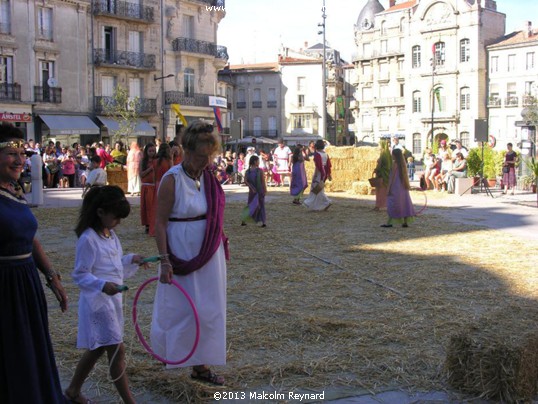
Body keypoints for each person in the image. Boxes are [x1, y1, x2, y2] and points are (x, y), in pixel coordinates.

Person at [151, 120, 228, 386]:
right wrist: (164, 260)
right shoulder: (172, 179)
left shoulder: (208, 177)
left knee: (208, 309)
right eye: (199, 156)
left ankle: (201, 366)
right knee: (182, 308)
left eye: (209, 156)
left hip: (208, 252)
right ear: (186, 151)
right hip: (180, 251)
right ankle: (173, 354)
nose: (205, 161)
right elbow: (159, 223)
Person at [0, 123, 68, 403]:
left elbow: (30, 238)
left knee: (30, 347)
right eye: (11, 153)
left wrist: (52, 277)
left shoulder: (14, 190)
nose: (19, 160)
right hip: (4, 287)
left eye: (23, 153)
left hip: (26, 282)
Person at [66, 186, 147, 404]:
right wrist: (102, 285)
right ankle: (129, 401)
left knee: (98, 348)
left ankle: (73, 390)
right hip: (97, 303)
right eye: (116, 217)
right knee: (116, 349)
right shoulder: (88, 239)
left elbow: (114, 266)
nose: (118, 222)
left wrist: (132, 259)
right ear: (100, 212)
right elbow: (81, 274)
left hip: (112, 301)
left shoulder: (111, 236)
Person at [381, 148, 416, 228]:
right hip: (403, 187)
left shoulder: (395, 164)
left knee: (392, 203)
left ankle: (390, 222)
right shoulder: (403, 164)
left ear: (395, 155)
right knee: (404, 203)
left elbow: (392, 178)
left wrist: (388, 188)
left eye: (392, 154)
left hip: (395, 187)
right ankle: (405, 222)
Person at [303, 139, 332, 211]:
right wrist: (328, 174)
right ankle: (319, 204)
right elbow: (328, 165)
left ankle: (325, 202)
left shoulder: (317, 155)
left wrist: (315, 175)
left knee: (316, 189)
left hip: (319, 173)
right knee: (319, 189)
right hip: (324, 173)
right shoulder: (325, 154)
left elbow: (318, 166)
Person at [241, 155, 267, 226]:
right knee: (261, 205)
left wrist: (251, 188)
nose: (259, 162)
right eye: (258, 161)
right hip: (259, 191)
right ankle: (263, 222)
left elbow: (246, 181)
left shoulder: (247, 171)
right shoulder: (259, 171)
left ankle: (244, 220)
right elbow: (263, 182)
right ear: (255, 162)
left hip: (252, 192)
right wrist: (265, 190)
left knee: (250, 205)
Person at [140, 143, 156, 234]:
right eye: (150, 151)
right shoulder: (143, 161)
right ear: (146, 151)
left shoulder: (157, 160)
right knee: (147, 206)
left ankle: (153, 223)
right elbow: (141, 174)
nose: (151, 153)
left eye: (153, 151)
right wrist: (149, 169)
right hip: (146, 186)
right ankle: (147, 224)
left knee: (153, 206)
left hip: (154, 186)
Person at [373, 140, 391, 211]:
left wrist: (376, 170)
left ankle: (378, 206)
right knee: (385, 191)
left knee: (379, 191)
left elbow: (380, 165)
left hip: (382, 175)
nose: (378, 146)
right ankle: (387, 205)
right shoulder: (388, 154)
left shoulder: (383, 154)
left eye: (379, 145)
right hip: (387, 175)